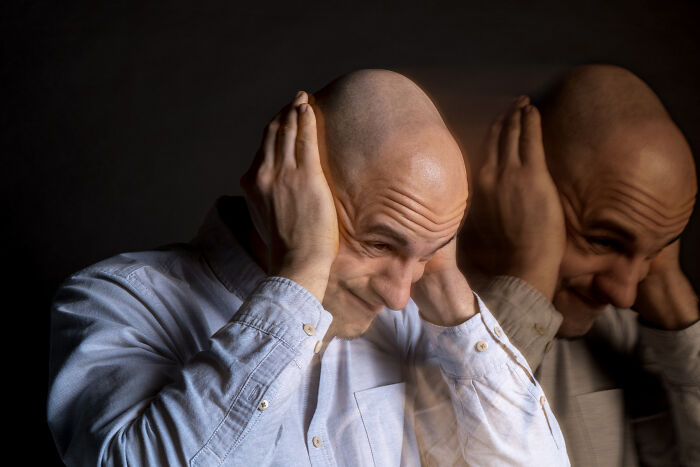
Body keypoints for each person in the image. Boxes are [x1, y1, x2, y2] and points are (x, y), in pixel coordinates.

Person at [47, 69, 569, 466]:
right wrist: (302, 272)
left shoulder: (414, 326)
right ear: (296, 186)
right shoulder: (115, 300)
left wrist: (454, 298)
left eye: (428, 251)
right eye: (379, 243)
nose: (398, 295)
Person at [460, 64, 699, 466]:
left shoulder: (624, 329)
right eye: (604, 240)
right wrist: (530, 273)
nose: (624, 295)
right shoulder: (394, 313)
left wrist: (676, 311)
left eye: (654, 252)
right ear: (522, 186)